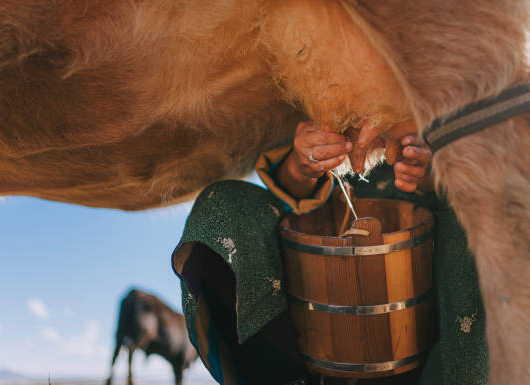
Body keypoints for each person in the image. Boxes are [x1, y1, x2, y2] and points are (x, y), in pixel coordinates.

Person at [172, 120, 487, 385]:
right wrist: (303, 164)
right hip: (324, 230)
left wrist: (436, 173)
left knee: (479, 235)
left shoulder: (462, 58)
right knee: (223, 204)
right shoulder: (319, 64)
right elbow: (291, 185)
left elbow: (504, 158)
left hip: (433, 243)